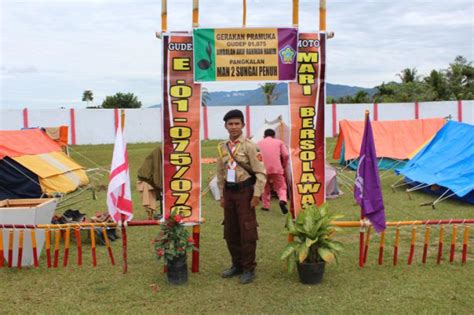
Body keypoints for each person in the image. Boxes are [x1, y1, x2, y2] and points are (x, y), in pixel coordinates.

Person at [216, 109, 266, 284]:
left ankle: (248, 268)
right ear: (226, 126)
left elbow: (261, 173)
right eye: (230, 124)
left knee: (247, 230)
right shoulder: (222, 147)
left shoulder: (250, 146)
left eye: (237, 123)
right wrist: (222, 194)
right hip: (229, 193)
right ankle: (236, 265)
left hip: (245, 193)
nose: (234, 127)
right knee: (230, 230)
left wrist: (257, 195)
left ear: (243, 125)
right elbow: (221, 172)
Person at [257, 129, 289, 214]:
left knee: (265, 187)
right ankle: (282, 200)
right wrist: (284, 166)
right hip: (277, 169)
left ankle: (265, 206)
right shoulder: (279, 142)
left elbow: (256, 157)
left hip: (263, 169)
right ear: (274, 136)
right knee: (281, 187)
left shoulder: (258, 143)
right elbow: (286, 155)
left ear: (264, 136)